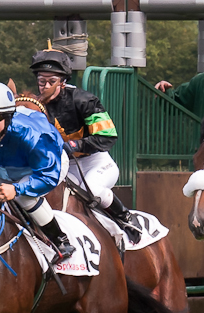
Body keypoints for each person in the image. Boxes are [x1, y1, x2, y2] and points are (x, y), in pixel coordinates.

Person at [30, 47, 142, 243]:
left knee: (93, 190)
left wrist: (73, 146)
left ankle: (125, 218)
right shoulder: (35, 105)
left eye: (51, 81)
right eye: (41, 81)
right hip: (64, 166)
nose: (45, 87)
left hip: (95, 162)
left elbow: (108, 136)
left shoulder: (84, 100)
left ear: (63, 81)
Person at [0, 81, 77, 264]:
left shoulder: (33, 135)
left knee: (25, 198)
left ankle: (60, 241)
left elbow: (46, 176)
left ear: (8, 116)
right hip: (1, 167)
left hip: (46, 166)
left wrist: (17, 189)